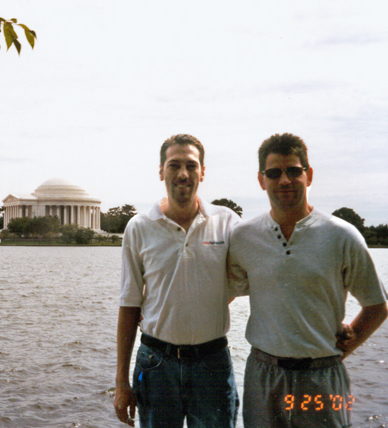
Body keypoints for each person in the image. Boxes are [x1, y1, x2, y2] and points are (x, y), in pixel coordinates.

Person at [228, 133, 388, 428]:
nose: (285, 180)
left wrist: (345, 346)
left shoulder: (343, 236)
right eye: (274, 173)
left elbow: (377, 306)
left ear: (309, 175)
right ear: (262, 180)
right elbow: (222, 293)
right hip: (263, 376)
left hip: (323, 377)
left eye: (294, 170)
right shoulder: (243, 237)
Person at [114, 134, 240, 428]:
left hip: (212, 361)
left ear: (203, 172)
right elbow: (129, 303)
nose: (183, 174)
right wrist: (121, 381)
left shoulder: (227, 222)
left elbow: (254, 278)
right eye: (174, 165)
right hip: (156, 363)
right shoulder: (140, 227)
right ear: (161, 171)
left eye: (191, 165)